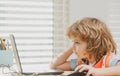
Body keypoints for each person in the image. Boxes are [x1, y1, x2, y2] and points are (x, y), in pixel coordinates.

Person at [50, 17, 120, 76]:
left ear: (93, 43)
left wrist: (96, 71)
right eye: (73, 42)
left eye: (77, 42)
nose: (73, 46)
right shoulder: (82, 62)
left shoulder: (107, 59)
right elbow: (55, 65)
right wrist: (72, 48)